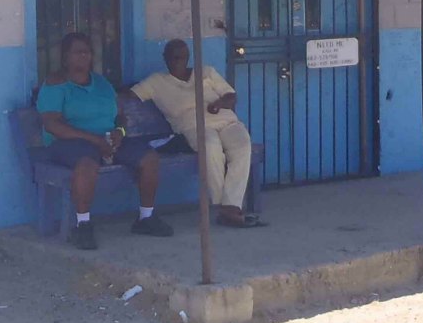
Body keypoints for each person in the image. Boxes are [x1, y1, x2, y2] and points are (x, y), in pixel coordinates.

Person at [36, 32, 169, 250]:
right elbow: (52, 124)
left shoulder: (102, 83)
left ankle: (146, 218)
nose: (84, 56)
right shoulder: (55, 84)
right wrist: (93, 139)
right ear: (65, 57)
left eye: (87, 52)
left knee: (150, 159)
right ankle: (83, 225)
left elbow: (120, 116)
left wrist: (120, 132)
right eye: (78, 52)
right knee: (87, 165)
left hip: (106, 140)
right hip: (68, 142)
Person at [126, 39, 260, 229]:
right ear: (165, 59)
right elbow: (130, 95)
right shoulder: (156, 82)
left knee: (242, 145)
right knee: (211, 146)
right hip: (195, 127)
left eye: (183, 57)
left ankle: (230, 206)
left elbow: (231, 96)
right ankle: (225, 207)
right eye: (174, 57)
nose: (178, 61)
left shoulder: (206, 72)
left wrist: (219, 104)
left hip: (227, 121)